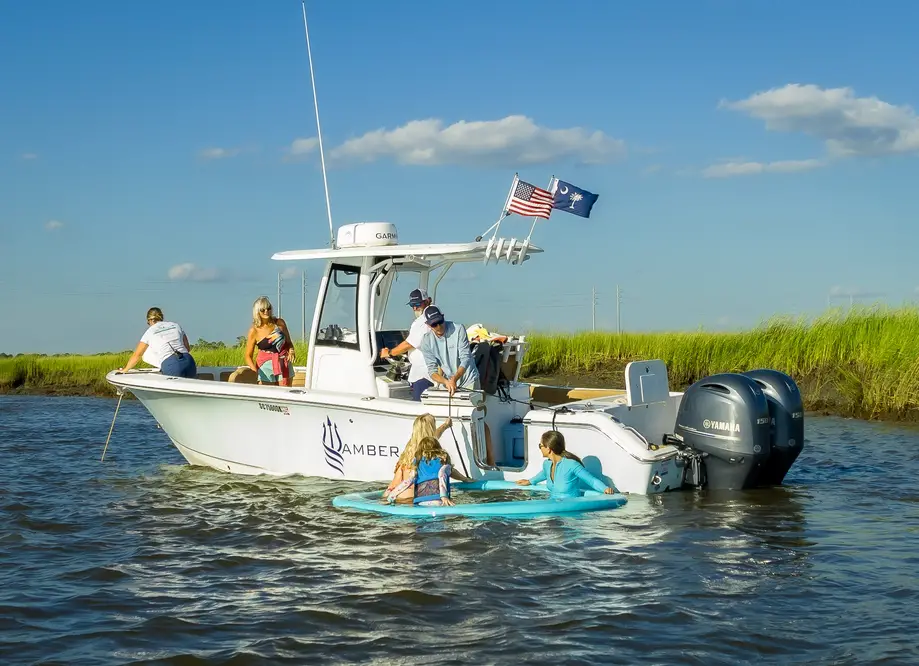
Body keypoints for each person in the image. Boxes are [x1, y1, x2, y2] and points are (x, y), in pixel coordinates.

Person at [384, 413, 471, 502]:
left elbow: (398, 478)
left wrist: (445, 425)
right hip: (414, 495)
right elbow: (447, 469)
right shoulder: (428, 451)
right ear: (431, 429)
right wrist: (465, 479)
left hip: (397, 492)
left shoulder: (409, 448)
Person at [516, 430, 619, 498]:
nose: (539, 448)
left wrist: (605, 489)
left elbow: (591, 480)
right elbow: (543, 474)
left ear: (548, 448)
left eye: (540, 445)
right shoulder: (547, 464)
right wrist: (530, 481)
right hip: (553, 506)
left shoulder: (571, 465)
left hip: (570, 513)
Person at [379, 288, 435, 401]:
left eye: (417, 304)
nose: (414, 308)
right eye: (412, 305)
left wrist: (389, 353)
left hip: (423, 376)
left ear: (428, 301)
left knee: (420, 408)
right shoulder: (434, 317)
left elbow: (408, 344)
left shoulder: (424, 320)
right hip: (424, 374)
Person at [417, 305, 479, 396]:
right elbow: (432, 371)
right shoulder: (426, 341)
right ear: (428, 325)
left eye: (440, 321)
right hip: (448, 383)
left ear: (443, 317)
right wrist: (446, 382)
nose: (439, 327)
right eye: (434, 324)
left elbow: (465, 359)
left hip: (469, 380)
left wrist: (454, 379)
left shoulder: (458, 329)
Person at [119, 307, 197, 378]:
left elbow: (137, 355)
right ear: (161, 317)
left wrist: (125, 370)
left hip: (171, 365)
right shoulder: (176, 325)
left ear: (149, 320)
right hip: (189, 362)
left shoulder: (150, 331)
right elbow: (187, 348)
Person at [384, 436, 457, 507]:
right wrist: (444, 496)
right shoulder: (442, 459)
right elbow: (442, 474)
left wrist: (392, 495)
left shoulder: (417, 461)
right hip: (438, 500)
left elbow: (408, 481)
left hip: (420, 501)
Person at [245, 296, 296, 386]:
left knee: (285, 393)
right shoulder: (254, 330)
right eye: (262, 310)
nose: (266, 311)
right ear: (257, 312)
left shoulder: (280, 323)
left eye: (268, 308)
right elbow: (248, 356)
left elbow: (289, 342)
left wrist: (291, 351)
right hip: (265, 367)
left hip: (284, 364)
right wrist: (255, 372)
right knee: (267, 393)